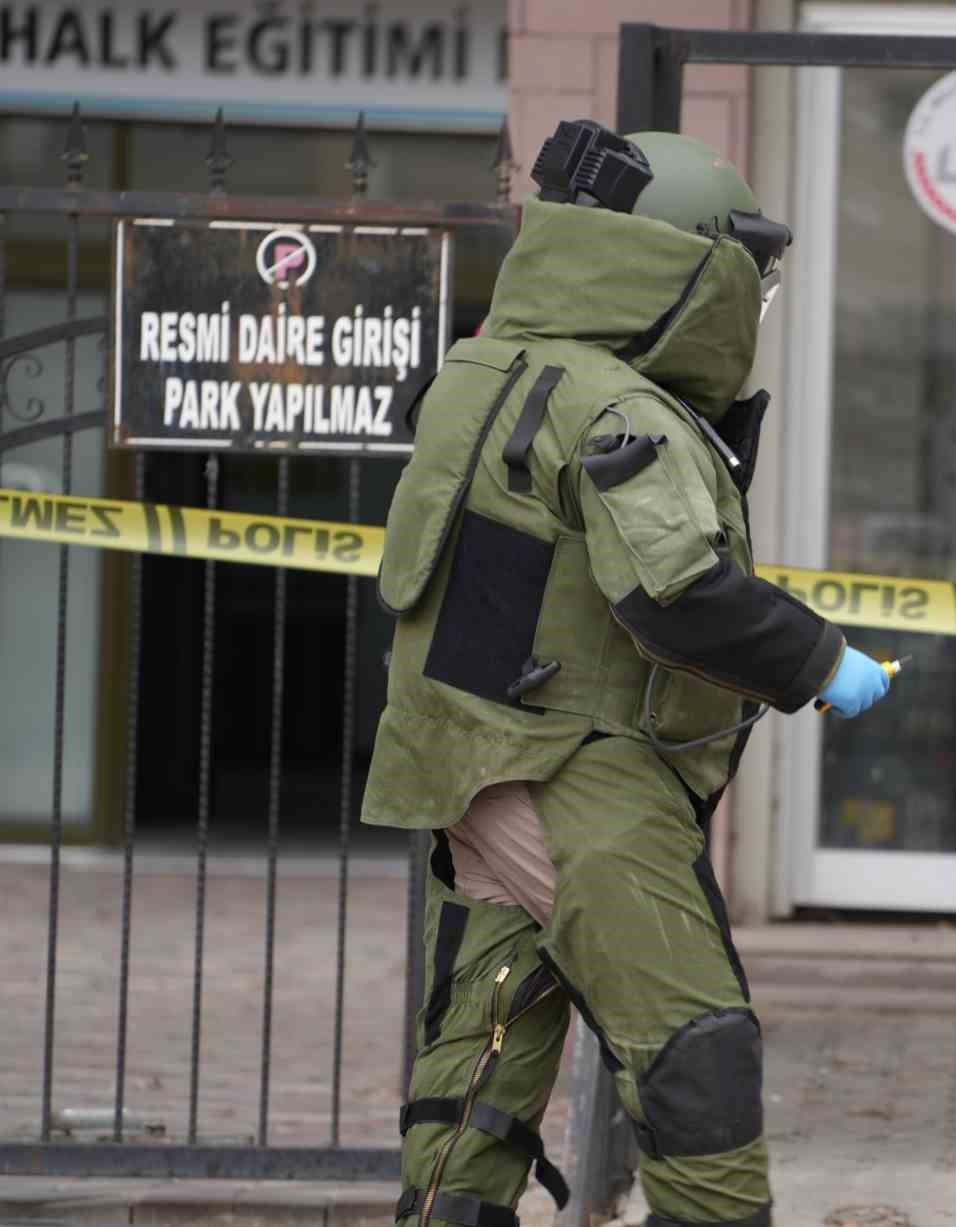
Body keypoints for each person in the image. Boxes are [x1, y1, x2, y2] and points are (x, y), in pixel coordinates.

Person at [362, 119, 895, 1227]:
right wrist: (821, 661)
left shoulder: (488, 373)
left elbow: (500, 597)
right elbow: (676, 593)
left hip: (471, 766)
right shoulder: (617, 407)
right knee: (696, 1048)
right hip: (581, 781)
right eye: (748, 275)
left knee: (480, 1069)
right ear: (687, 271)